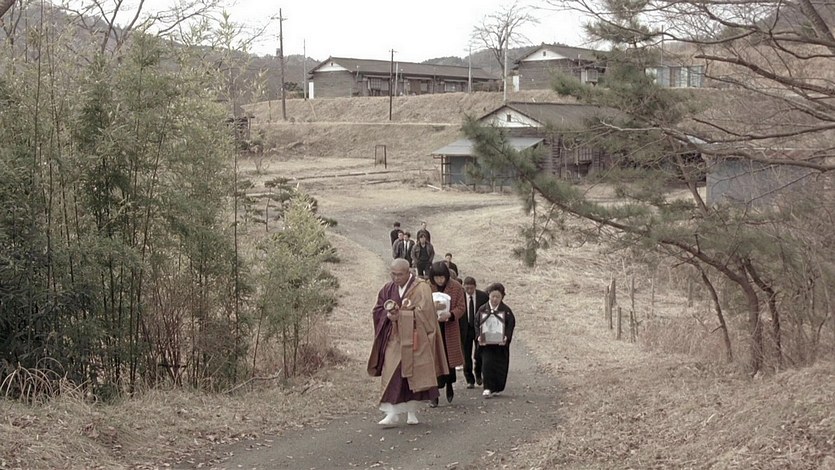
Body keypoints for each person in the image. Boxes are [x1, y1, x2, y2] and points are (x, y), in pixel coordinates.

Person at [367, 259, 448, 427]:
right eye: (393, 274)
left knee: (413, 375)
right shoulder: (388, 289)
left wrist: (402, 316)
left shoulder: (421, 288)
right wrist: (388, 315)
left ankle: (412, 411)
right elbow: (378, 309)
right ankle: (391, 412)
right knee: (391, 372)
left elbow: (426, 314)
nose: (396, 278)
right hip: (394, 339)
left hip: (415, 339)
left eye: (400, 274)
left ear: (408, 272)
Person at [427, 261, 465, 406]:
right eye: (436, 277)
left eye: (442, 277)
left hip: (449, 327)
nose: (439, 280)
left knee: (449, 360)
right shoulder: (427, 287)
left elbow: (461, 307)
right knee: (434, 359)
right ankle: (434, 393)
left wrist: (450, 314)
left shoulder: (456, 287)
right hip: (433, 327)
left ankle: (449, 385)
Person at [475, 283, 516, 398]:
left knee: (500, 366)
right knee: (487, 364)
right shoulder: (482, 309)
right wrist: (479, 336)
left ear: (502, 297)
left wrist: (506, 337)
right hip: (486, 345)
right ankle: (487, 387)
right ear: (489, 295)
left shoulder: (506, 311)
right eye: (493, 296)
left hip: (500, 345)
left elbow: (510, 325)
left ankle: (497, 387)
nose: (494, 299)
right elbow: (477, 323)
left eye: (498, 297)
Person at [461, 276, 489, 389]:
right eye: (467, 288)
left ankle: (478, 373)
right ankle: (469, 379)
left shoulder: (483, 296)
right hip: (465, 329)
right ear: (463, 287)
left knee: (479, 353)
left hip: (479, 328)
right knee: (466, 355)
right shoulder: (460, 297)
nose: (469, 291)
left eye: (471, 288)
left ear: (475, 287)